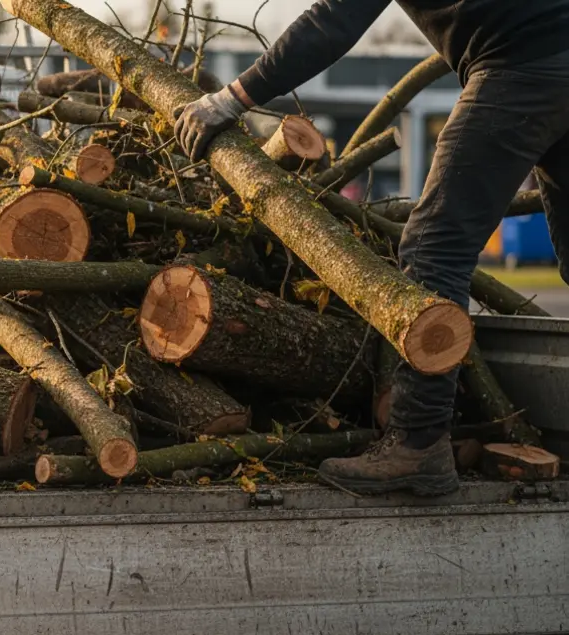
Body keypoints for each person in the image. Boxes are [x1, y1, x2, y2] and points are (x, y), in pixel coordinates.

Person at [173, 0, 569, 497]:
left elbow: (334, 20)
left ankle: (419, 443)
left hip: (520, 63)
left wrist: (231, 97)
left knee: (432, 245)